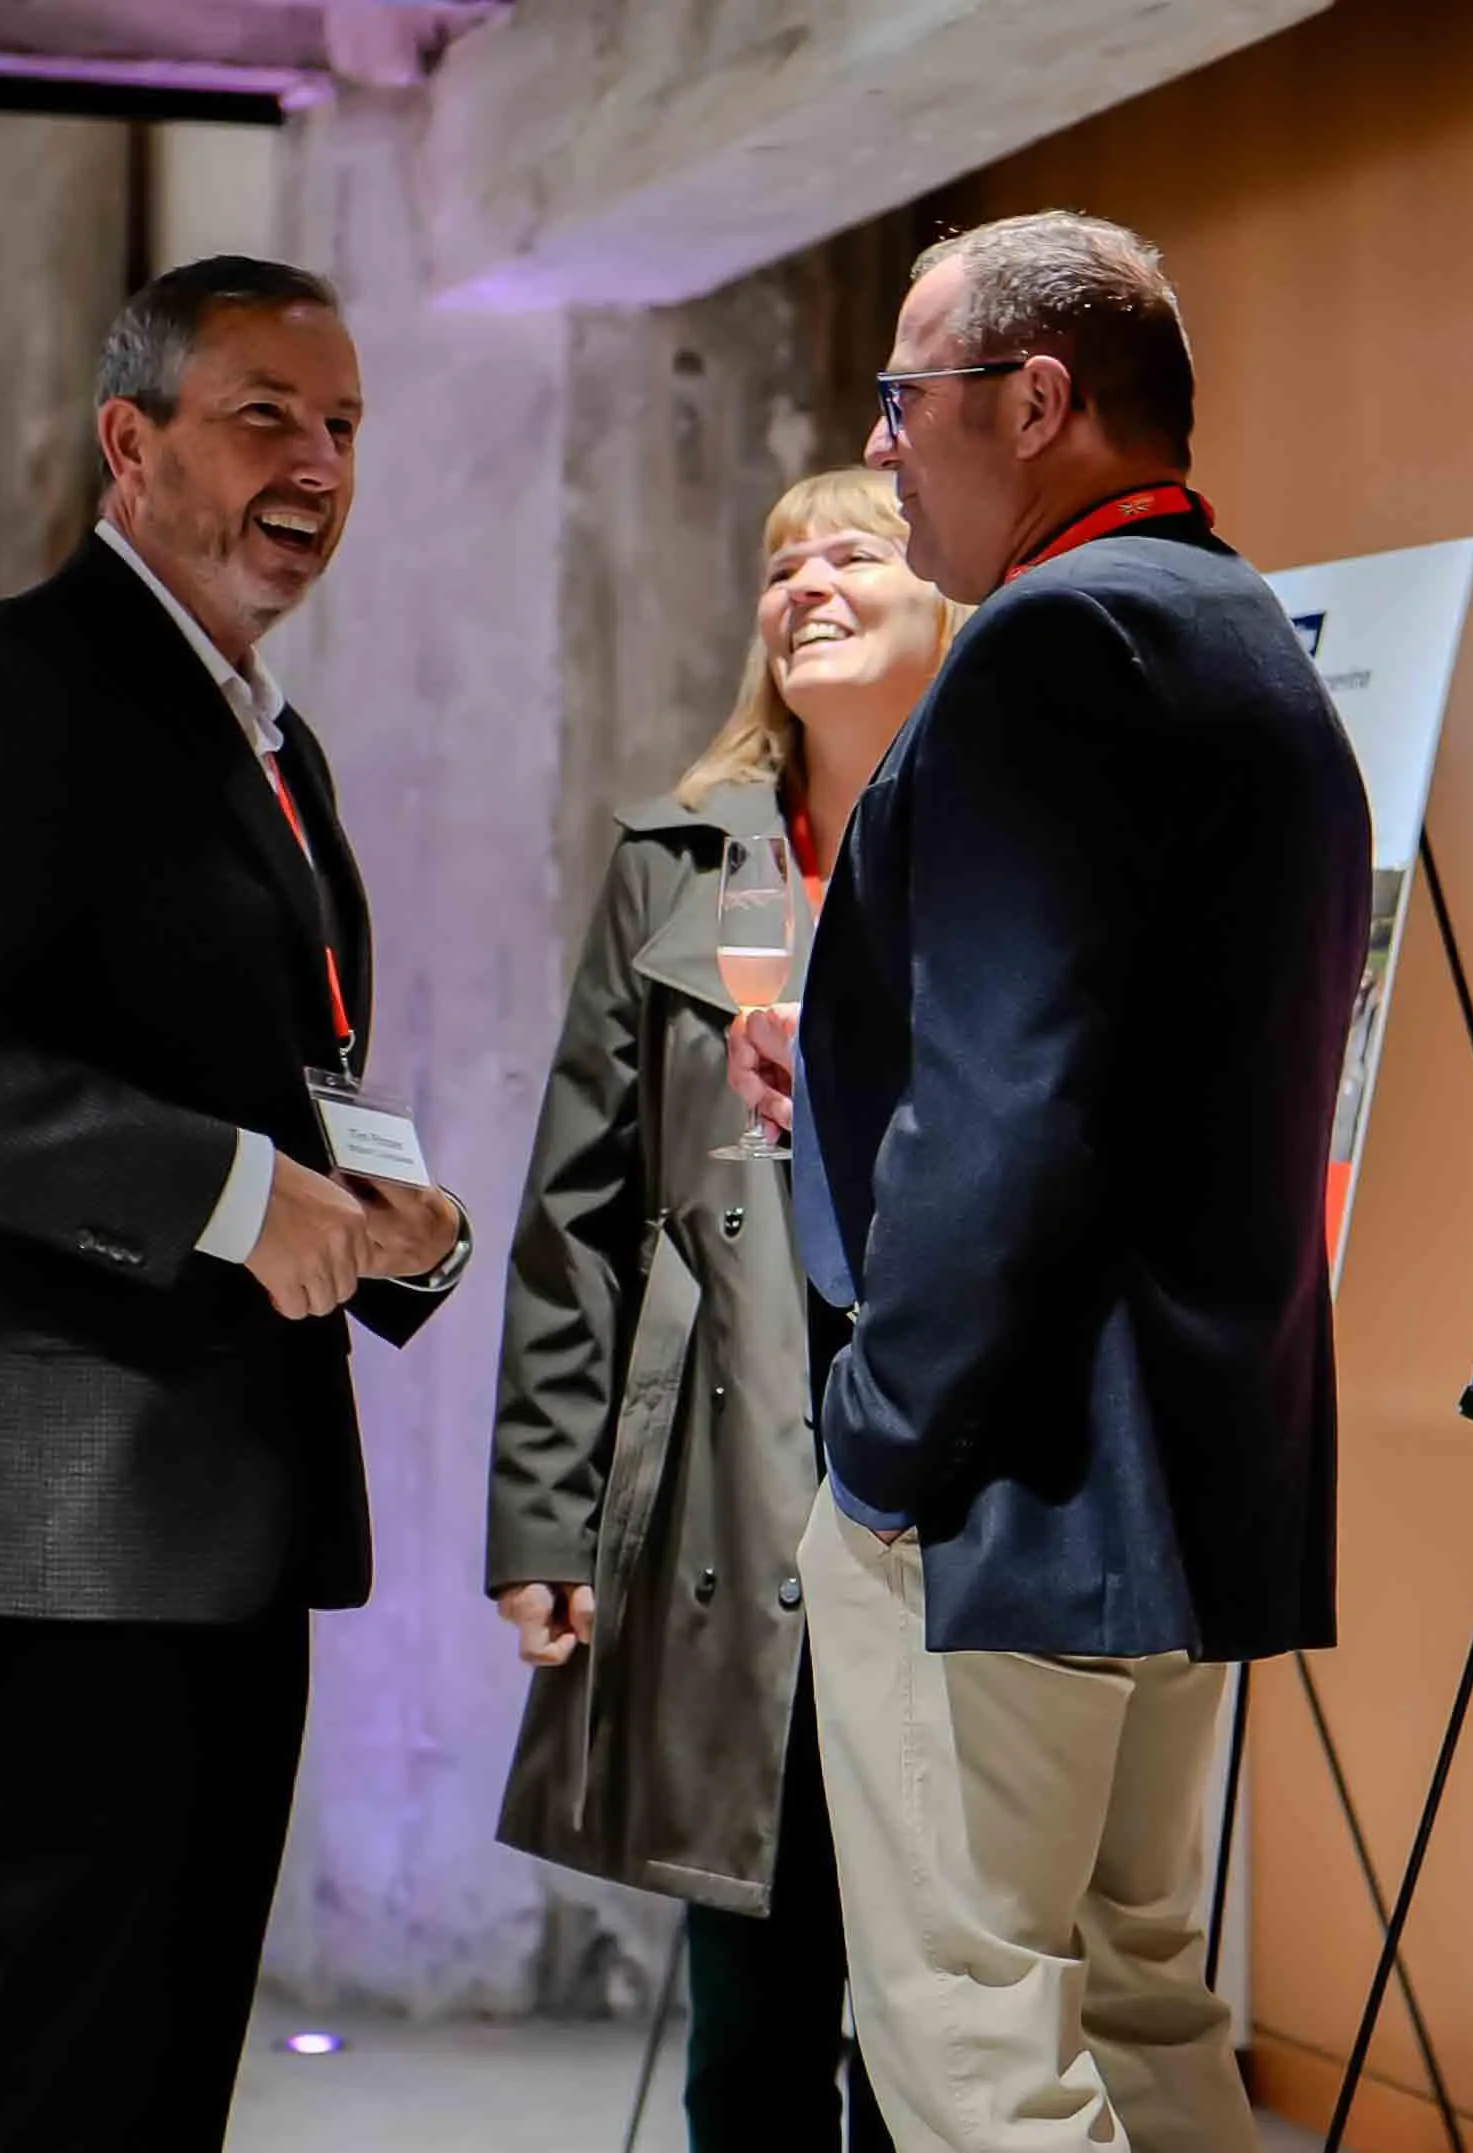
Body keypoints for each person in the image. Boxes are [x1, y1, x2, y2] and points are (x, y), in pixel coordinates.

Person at [0, 256, 470, 2153]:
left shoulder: (271, 732)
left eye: (343, 426)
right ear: (132, 441)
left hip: (223, 1511)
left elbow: (280, 1065)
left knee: (164, 2070)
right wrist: (228, 1193)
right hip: (59, 1532)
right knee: (58, 2067)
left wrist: (381, 1216)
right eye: (266, 412)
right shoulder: (19, 684)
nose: (319, 464)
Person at [729, 210, 1368, 2153]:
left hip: (1000, 1482)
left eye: (905, 402)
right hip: (1194, 1470)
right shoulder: (1258, 649)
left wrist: (882, 1444)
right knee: (1149, 2007)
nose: (887, 441)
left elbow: (1007, 1114)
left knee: (974, 2042)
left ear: (1036, 399)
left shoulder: (1045, 652)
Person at [487, 467, 954, 2152]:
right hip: (722, 1491)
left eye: (853, 553)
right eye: (780, 563)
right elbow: (576, 1215)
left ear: (946, 601)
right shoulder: (675, 861)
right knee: (750, 2021)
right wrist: (543, 1520)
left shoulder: (1000, 840)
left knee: (935, 2024)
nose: (807, 584)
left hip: (940, 1492)